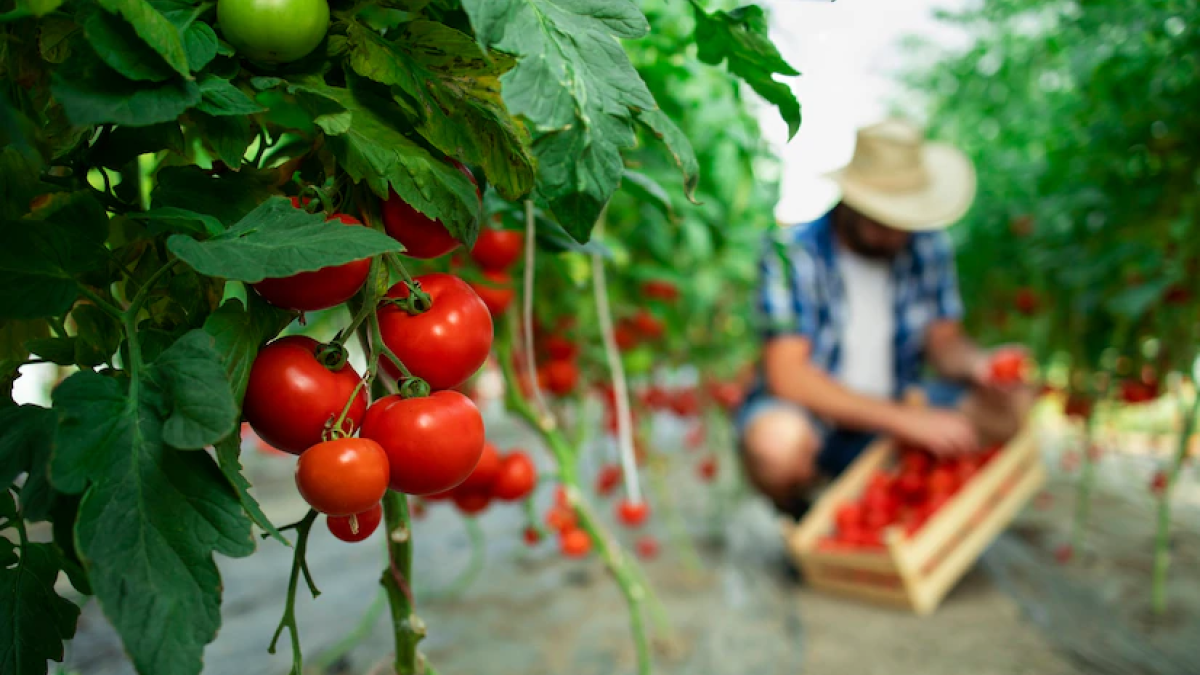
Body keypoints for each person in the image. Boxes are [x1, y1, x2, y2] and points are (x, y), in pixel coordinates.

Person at [736, 118, 1033, 519]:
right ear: (853, 202)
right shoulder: (792, 253)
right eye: (884, 220)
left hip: (899, 407)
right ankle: (805, 513)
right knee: (775, 444)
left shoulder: (926, 247)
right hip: (819, 421)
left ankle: (911, 502)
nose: (897, 234)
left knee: (1013, 404)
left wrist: (978, 364)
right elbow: (787, 375)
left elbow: (945, 343)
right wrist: (907, 420)